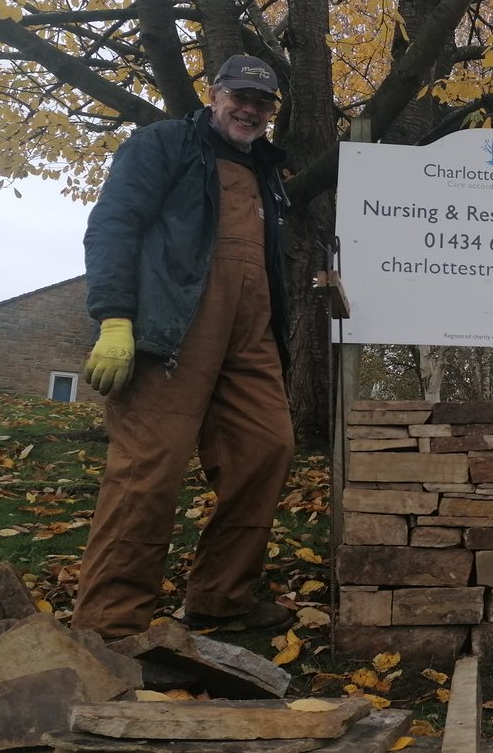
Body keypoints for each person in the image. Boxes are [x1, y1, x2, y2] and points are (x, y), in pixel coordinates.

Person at [71, 54, 296, 639]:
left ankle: (222, 600)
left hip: (251, 339)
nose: (249, 110)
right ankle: (110, 628)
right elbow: (113, 225)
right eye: (240, 97)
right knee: (148, 471)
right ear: (214, 94)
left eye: (262, 103)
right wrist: (114, 319)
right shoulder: (164, 144)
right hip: (172, 333)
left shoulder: (268, 170)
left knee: (266, 450)